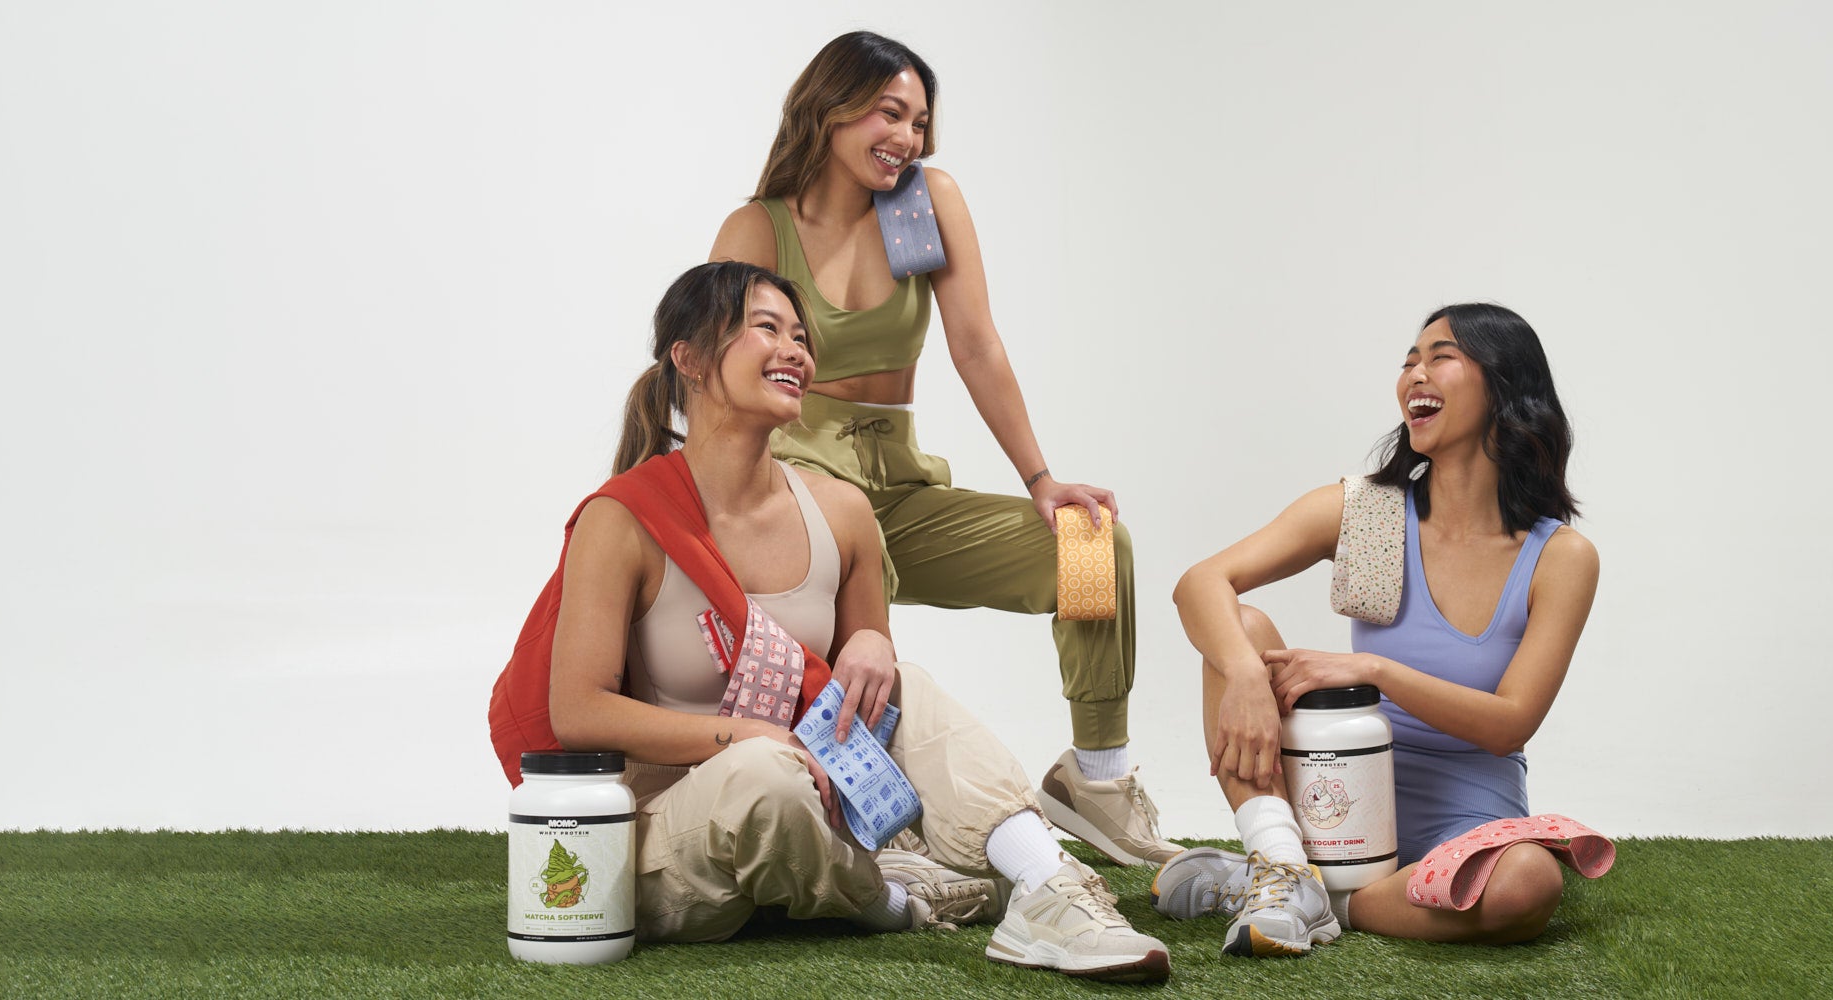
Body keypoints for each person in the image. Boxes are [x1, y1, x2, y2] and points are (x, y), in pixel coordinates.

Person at [485, 261, 1170, 983]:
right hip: (672, 827)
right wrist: (743, 734)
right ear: (687, 359)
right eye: (766, 329)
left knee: (903, 685)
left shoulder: (842, 511)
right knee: (762, 773)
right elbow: (578, 709)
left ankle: (1052, 887)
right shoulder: (622, 518)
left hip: (811, 800)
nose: (796, 351)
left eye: (802, 337)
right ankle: (892, 899)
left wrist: (872, 639)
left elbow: (857, 696)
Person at [706, 32, 1174, 867]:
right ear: (829, 108)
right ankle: (868, 823)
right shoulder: (759, 228)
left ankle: (1095, 777)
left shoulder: (920, 204)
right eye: (890, 112)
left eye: (920, 121)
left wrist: (1041, 480)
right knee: (849, 641)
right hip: (800, 498)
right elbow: (716, 377)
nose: (908, 139)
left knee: (1093, 547)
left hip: (900, 486)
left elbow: (975, 345)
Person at [1156, 303, 1600, 956]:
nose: (1415, 373)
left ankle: (1309, 896)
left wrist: (1375, 670)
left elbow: (1511, 722)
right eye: (1408, 361)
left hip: (1464, 828)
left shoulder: (1559, 557)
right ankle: (1282, 859)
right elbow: (1201, 583)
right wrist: (1249, 675)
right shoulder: (1366, 515)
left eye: (1440, 356)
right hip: (1329, 801)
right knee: (1240, 628)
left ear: (1504, 384)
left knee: (1530, 882)